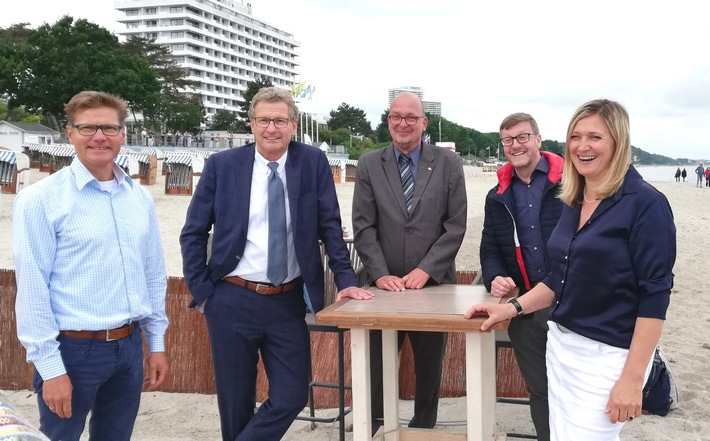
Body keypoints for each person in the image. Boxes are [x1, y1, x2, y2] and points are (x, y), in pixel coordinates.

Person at [466, 99, 676, 440]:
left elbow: (654, 295)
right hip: (562, 348)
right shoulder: (576, 196)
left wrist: (632, 379)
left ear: (618, 142)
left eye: (595, 136)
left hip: (605, 355)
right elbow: (558, 276)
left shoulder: (646, 203)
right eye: (575, 136)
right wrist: (511, 307)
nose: (582, 146)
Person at [180, 87, 373, 441]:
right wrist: (202, 290)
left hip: (288, 300)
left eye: (280, 120)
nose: (272, 128)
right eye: (264, 120)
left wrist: (346, 278)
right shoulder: (223, 166)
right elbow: (193, 232)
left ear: (294, 125)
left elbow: (329, 226)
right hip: (231, 298)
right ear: (252, 124)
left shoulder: (312, 162)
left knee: (291, 396)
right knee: (236, 402)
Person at [13, 91, 169, 441]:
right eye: (88, 128)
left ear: (122, 136)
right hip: (72, 350)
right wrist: (51, 369)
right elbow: (33, 288)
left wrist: (155, 343)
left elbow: (152, 274)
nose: (99, 136)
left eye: (109, 128)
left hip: (129, 346)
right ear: (70, 134)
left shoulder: (139, 197)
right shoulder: (40, 200)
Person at [351, 92, 467, 434]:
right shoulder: (370, 163)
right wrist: (381, 274)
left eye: (411, 117)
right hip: (382, 289)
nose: (404, 123)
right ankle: (376, 427)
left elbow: (455, 225)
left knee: (429, 368)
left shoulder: (449, 164)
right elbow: (363, 225)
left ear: (423, 123)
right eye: (396, 116)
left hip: (434, 285)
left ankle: (423, 428)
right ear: (388, 121)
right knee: (377, 366)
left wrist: (425, 270)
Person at [479, 112, 564, 441]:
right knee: (540, 390)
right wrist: (495, 276)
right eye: (508, 140)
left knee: (576, 388)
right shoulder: (496, 195)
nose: (516, 145)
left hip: (571, 301)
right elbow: (489, 248)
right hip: (525, 306)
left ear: (538, 140)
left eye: (523, 137)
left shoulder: (570, 182)